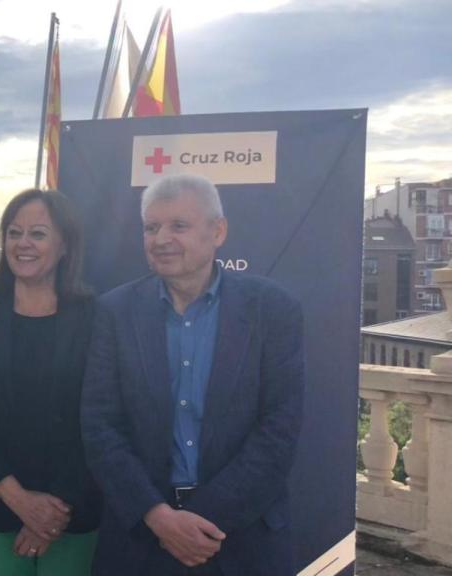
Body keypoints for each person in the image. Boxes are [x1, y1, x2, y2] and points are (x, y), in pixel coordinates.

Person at [81, 174, 305, 576]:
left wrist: (198, 521)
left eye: (178, 226)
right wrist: (159, 517)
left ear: (217, 231)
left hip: (241, 540)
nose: (161, 238)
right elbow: (100, 426)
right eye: (151, 227)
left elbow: (279, 430)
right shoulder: (114, 312)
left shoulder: (271, 310)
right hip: (140, 542)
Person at [0, 189, 101, 576]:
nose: (23, 243)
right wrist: (19, 500)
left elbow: (101, 418)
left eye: (38, 233)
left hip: (73, 510)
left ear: (65, 244)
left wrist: (53, 510)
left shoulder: (96, 318)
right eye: (14, 232)